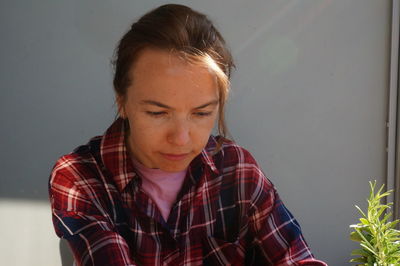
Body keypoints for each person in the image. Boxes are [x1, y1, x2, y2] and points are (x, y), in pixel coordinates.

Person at [49, 4, 327, 266]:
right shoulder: (79, 178)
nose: (181, 138)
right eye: (158, 113)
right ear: (122, 100)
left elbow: (296, 258)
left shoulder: (238, 171)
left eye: (202, 113)